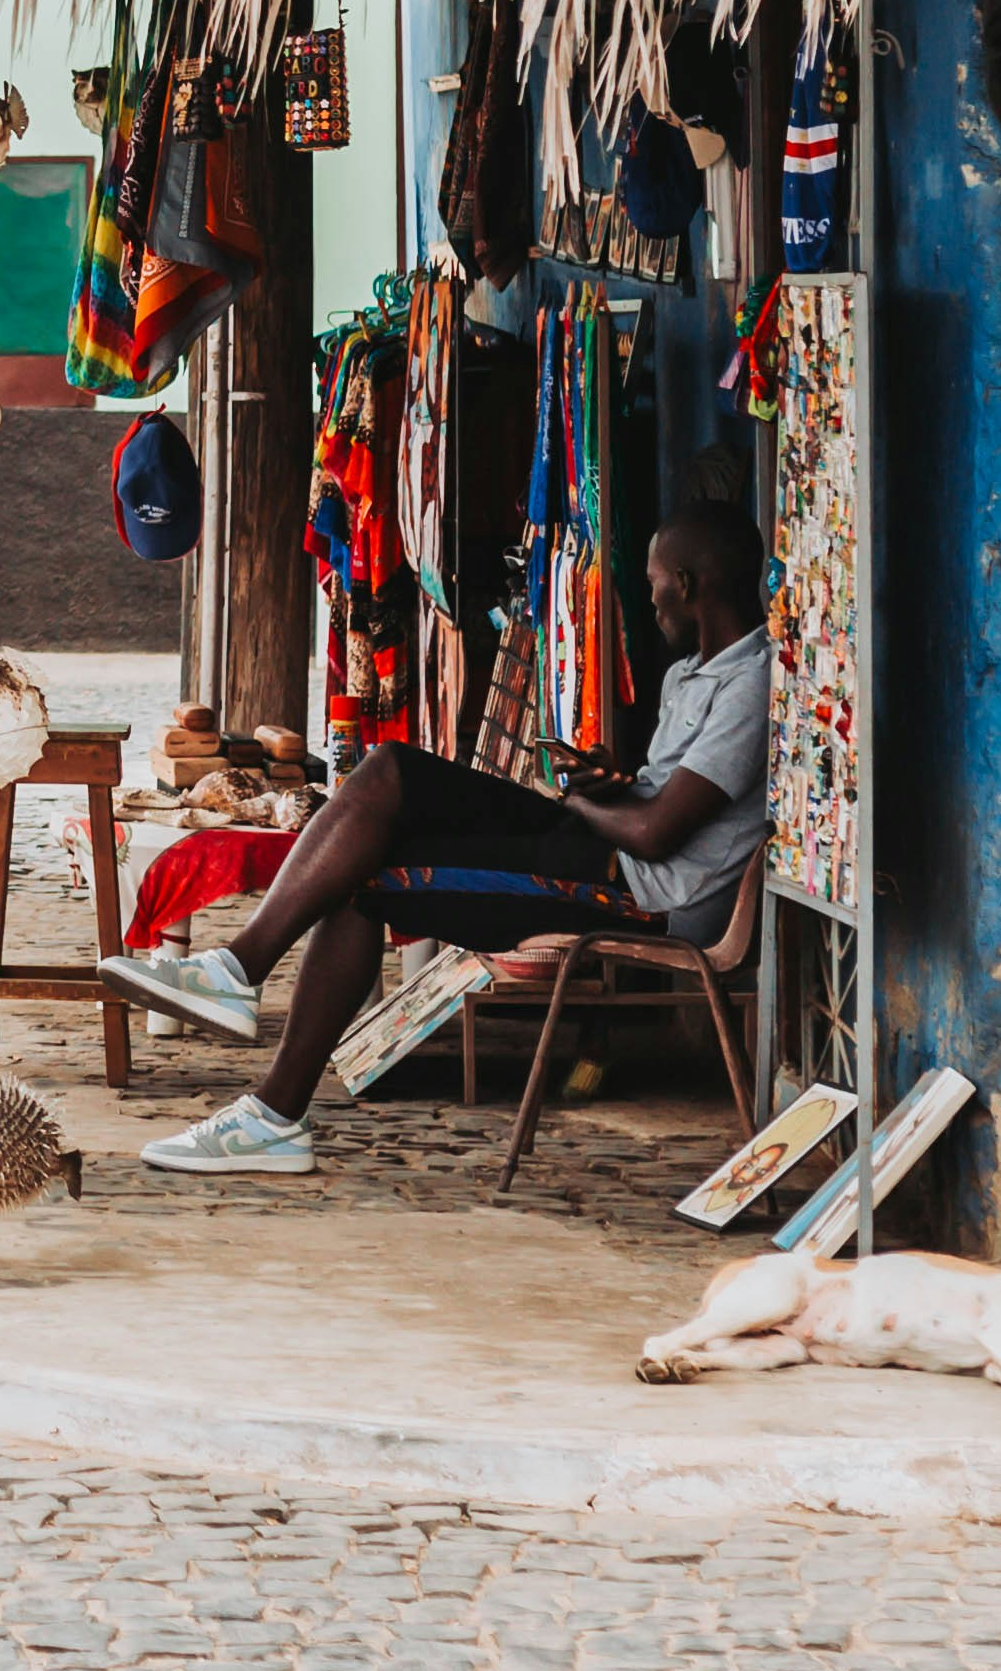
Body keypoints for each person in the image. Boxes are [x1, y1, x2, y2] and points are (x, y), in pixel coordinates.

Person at [92, 504, 775, 1176]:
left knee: (364, 882)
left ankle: (262, 1073)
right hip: (604, 851)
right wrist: (609, 786)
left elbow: (659, 834)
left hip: (641, 892)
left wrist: (575, 802)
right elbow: (661, 801)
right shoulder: (690, 673)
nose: (648, 598)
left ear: (685, 583)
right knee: (389, 771)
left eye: (655, 581)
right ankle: (239, 988)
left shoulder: (751, 683)